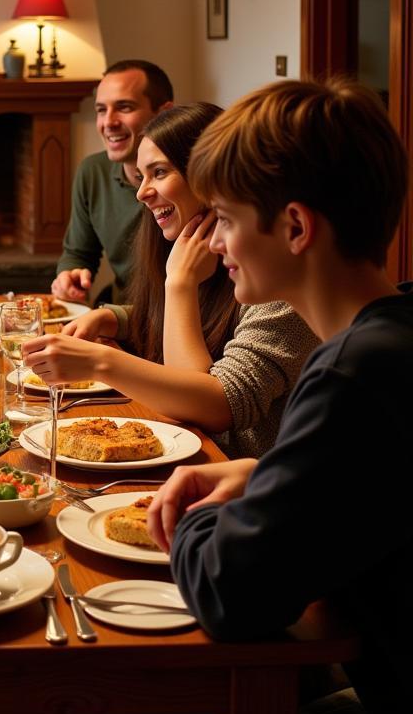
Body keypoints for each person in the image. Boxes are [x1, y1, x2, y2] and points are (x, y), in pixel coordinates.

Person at [145, 79, 410, 714]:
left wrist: (201, 515)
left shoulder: (352, 373)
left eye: (228, 220)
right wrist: (265, 474)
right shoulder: (395, 336)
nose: (213, 243)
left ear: (295, 227)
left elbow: (229, 592)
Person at [27, 103, 318, 458]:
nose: (141, 192)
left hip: (234, 483)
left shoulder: (278, 284)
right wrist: (113, 318)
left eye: (159, 172)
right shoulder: (195, 252)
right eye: (141, 176)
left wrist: (100, 361)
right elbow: (198, 323)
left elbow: (209, 404)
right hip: (199, 466)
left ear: (210, 175)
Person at [52, 59, 173, 305]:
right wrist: (70, 275)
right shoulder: (92, 171)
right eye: (100, 110)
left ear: (164, 113)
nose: (108, 122)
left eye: (124, 107)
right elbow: (78, 253)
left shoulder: (193, 178)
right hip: (120, 320)